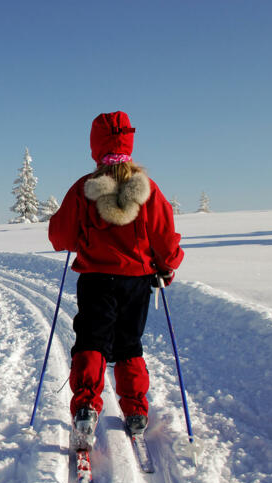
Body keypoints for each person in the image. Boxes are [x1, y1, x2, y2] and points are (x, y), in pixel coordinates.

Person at [48, 111, 184, 447]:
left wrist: (76, 238)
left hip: (95, 280)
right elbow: (165, 234)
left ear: (95, 145)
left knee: (92, 341)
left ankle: (85, 408)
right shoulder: (148, 189)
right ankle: (136, 410)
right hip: (136, 281)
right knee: (128, 344)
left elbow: (61, 236)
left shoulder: (84, 189)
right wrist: (167, 265)